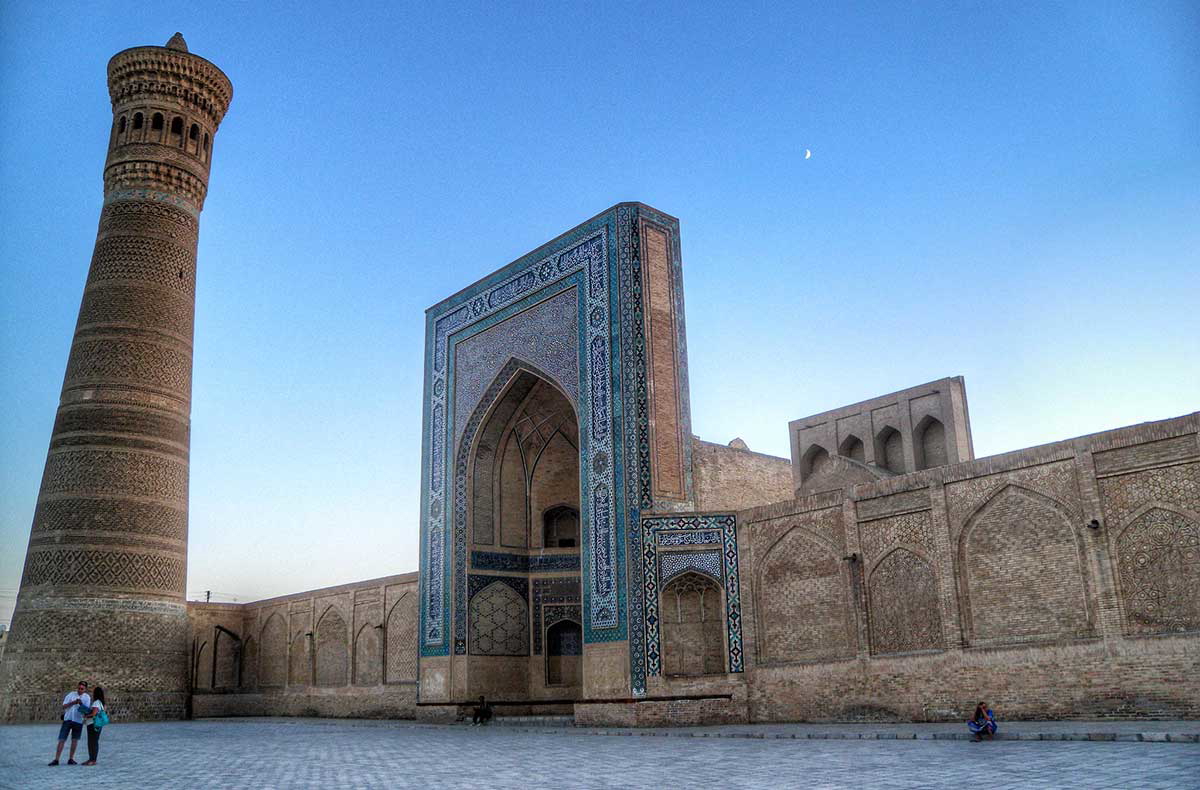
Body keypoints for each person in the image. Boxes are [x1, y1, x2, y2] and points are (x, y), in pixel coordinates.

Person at [48, 680, 91, 766]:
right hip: (68, 719)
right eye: (79, 688)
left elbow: (86, 711)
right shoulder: (71, 695)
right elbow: (64, 706)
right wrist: (73, 702)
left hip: (78, 720)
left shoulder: (87, 697)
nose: (80, 690)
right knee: (62, 739)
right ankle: (56, 759)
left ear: (85, 689)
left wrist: (81, 704)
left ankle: (71, 759)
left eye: (82, 689)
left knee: (75, 740)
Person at [82, 686, 108, 766]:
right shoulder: (102, 703)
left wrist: (86, 716)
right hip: (99, 724)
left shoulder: (96, 702)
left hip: (92, 724)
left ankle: (92, 760)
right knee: (94, 742)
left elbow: (94, 714)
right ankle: (92, 759)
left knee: (92, 742)